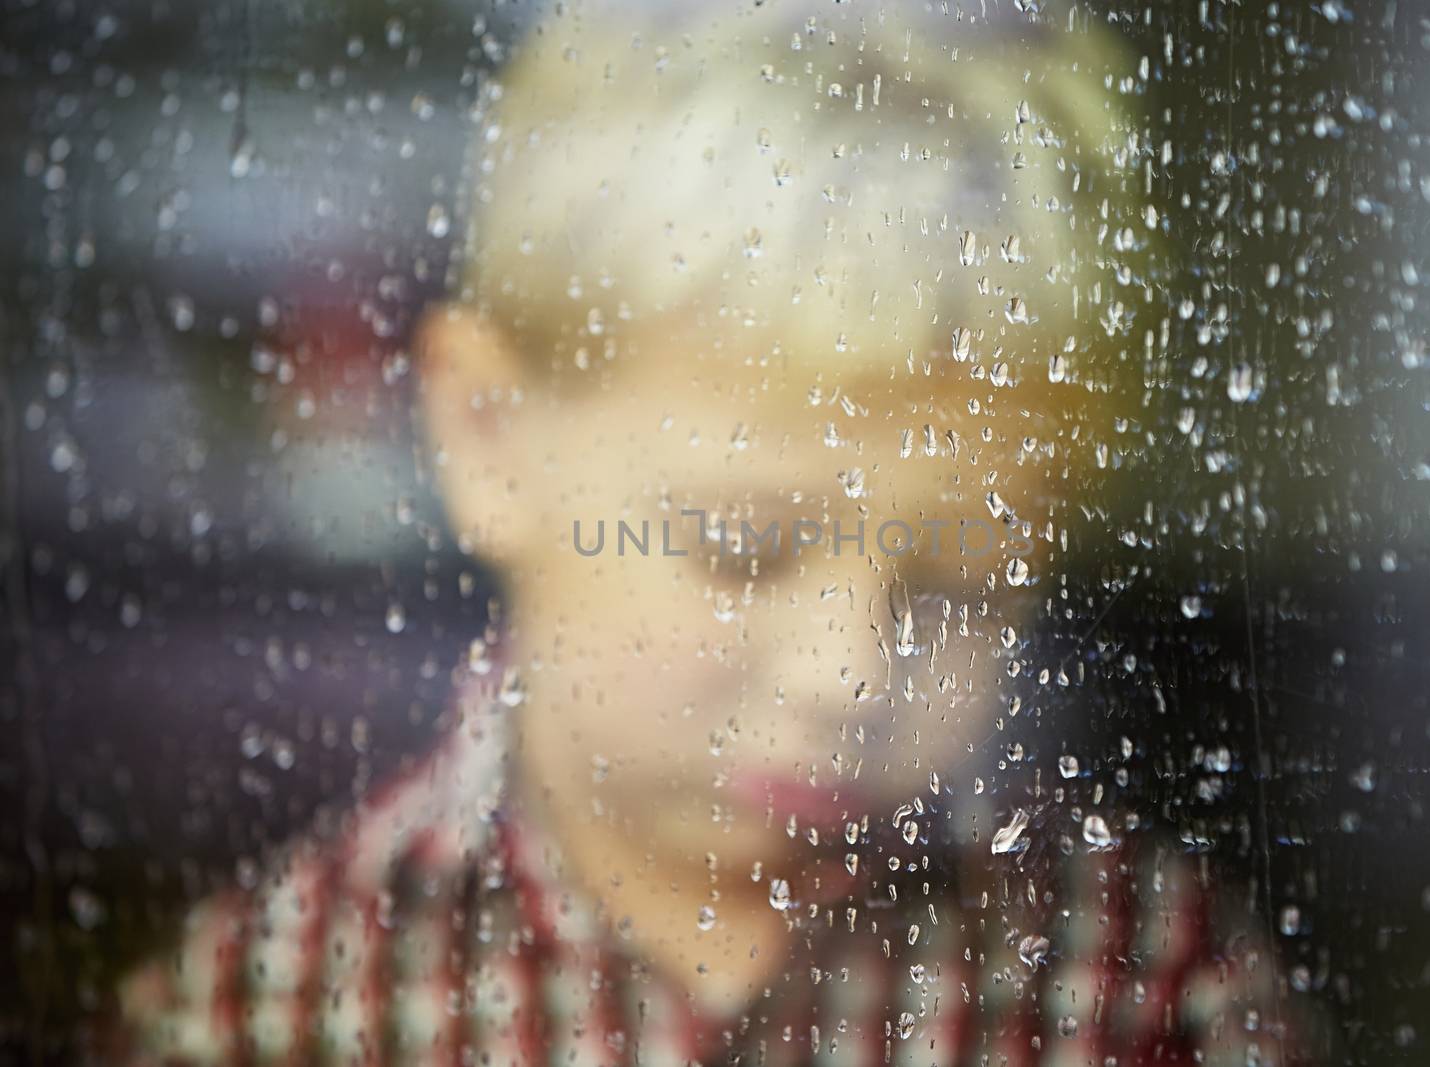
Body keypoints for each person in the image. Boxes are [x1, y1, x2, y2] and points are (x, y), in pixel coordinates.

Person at [106, 2, 1316, 1064]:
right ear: (487, 435)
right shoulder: (274, 1010)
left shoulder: (1144, 985)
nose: (847, 669)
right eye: (745, 547)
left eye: (963, 581)